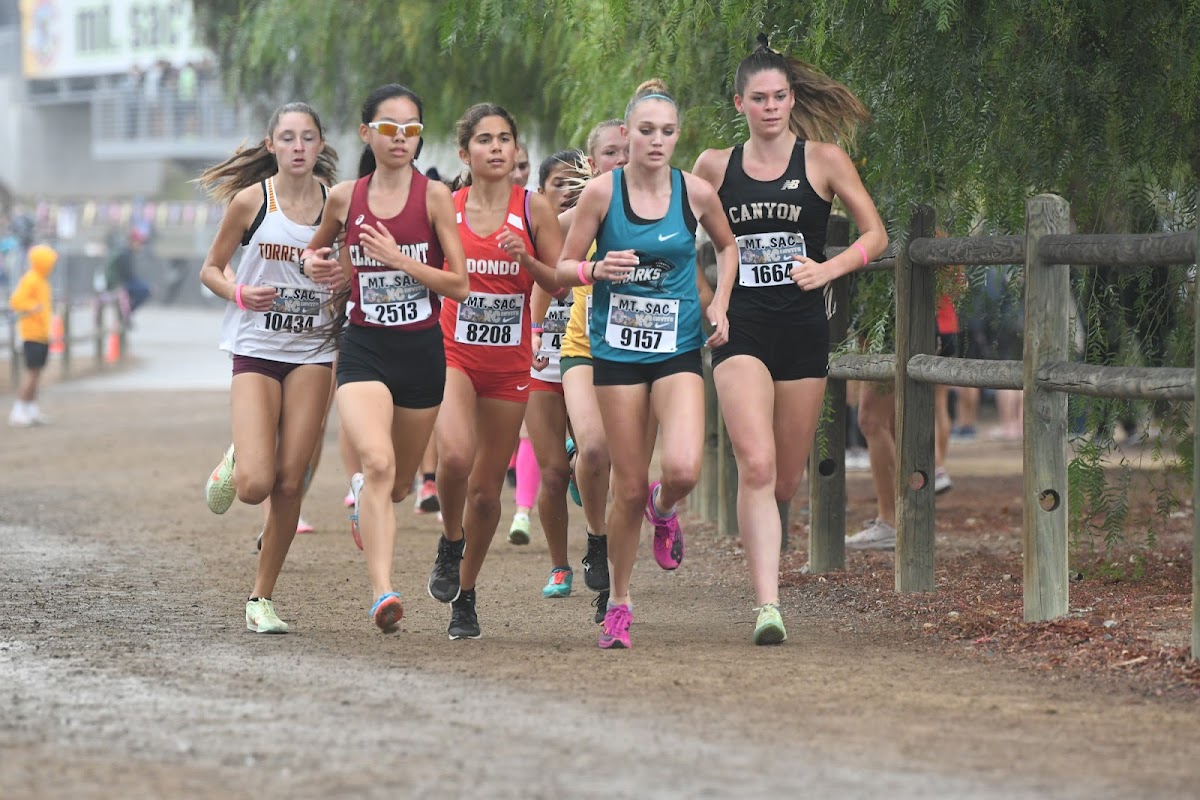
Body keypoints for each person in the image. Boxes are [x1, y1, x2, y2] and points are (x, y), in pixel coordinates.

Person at [693, 35, 887, 643]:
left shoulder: (824, 160)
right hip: (741, 328)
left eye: (780, 96)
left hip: (804, 328)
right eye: (759, 98)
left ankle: (767, 573)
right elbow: (672, 243)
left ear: (792, 98)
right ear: (740, 103)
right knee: (755, 463)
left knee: (783, 481)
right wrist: (711, 303)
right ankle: (768, 606)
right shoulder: (713, 167)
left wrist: (828, 269)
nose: (771, 106)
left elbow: (876, 234)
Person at [558, 79, 736, 650]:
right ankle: (618, 601)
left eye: (666, 132)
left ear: (676, 136)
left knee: (682, 469)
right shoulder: (602, 196)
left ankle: (667, 508)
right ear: (626, 135)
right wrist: (594, 270)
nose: (656, 141)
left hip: (678, 348)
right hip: (615, 354)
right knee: (626, 487)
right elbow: (561, 267)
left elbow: (729, 248)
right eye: (645, 131)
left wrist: (721, 303)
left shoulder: (697, 192)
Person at [304, 83, 470, 633]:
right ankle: (382, 592)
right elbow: (317, 249)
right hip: (364, 348)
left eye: (412, 130)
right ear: (367, 133)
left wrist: (400, 260)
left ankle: (364, 504)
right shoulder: (344, 197)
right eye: (390, 129)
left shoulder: (435, 197)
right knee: (376, 464)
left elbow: (460, 284)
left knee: (397, 485)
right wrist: (320, 267)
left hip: (422, 353)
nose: (401, 140)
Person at [197, 101, 340, 634]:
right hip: (256, 349)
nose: (298, 147)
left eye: (307, 137)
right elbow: (210, 269)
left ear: (320, 145)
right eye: (288, 137)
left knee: (289, 483)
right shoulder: (252, 202)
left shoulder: (338, 205)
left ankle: (262, 598)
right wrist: (238, 291)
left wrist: (338, 276)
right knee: (257, 484)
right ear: (271, 145)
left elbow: (351, 273)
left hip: (313, 354)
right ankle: (240, 455)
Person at [426, 103, 563, 640]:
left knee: (487, 494)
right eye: (485, 139)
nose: (498, 147)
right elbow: (425, 270)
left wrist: (525, 261)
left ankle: (466, 591)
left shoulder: (535, 209)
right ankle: (449, 541)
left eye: (506, 138)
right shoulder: (448, 207)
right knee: (456, 456)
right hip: (453, 352)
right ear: (465, 153)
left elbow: (560, 281)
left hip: (510, 364)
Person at [557, 120, 629, 623]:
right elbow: (551, 267)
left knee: (632, 471)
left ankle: (617, 590)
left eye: (629, 150)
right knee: (596, 448)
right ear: (592, 162)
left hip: (645, 353)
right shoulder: (576, 216)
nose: (621, 160)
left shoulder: (669, 208)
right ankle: (597, 538)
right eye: (611, 152)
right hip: (583, 347)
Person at [525, 149, 587, 597]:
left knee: (593, 459)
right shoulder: (526, 237)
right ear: (541, 194)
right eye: (558, 185)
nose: (568, 193)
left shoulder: (601, 228)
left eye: (576, 184)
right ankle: (560, 567)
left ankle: (598, 547)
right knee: (552, 474)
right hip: (542, 362)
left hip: (587, 358)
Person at [8, 244, 57, 427]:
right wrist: (32, 307)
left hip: (42, 334)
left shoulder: (43, 281)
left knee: (36, 374)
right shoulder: (31, 279)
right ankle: (19, 409)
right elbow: (16, 300)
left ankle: (31, 409)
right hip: (32, 334)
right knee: (31, 374)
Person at [105, 228, 152, 318]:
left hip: (118, 283)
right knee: (145, 290)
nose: (141, 246)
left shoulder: (124, 251)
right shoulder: (125, 254)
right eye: (139, 243)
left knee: (142, 288)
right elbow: (129, 276)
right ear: (132, 242)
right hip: (117, 284)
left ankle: (126, 314)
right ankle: (126, 314)